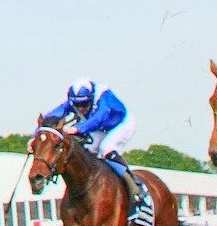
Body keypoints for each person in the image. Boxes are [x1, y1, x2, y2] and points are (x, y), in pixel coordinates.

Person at [40, 77, 141, 208]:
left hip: (121, 124)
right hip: (101, 127)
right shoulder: (75, 100)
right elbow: (50, 117)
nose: (81, 109)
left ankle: (134, 186)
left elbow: (100, 117)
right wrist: (35, 134)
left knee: (106, 148)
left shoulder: (103, 97)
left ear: (91, 97)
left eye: (85, 104)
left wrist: (77, 128)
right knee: (87, 151)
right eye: (77, 105)